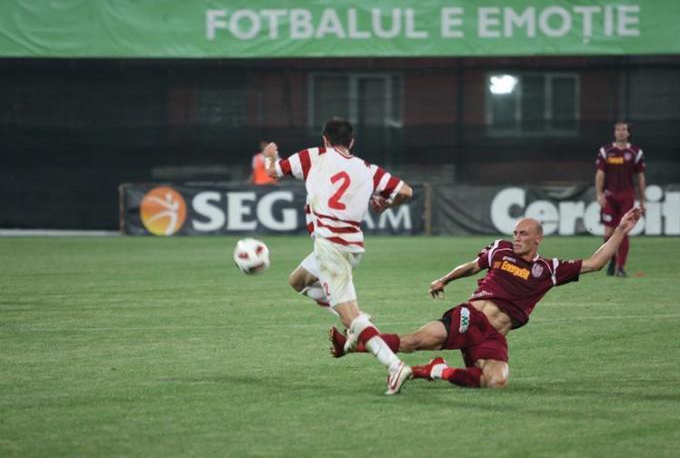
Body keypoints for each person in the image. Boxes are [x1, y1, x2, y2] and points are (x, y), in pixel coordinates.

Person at [329, 208, 643, 390]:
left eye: (523, 234)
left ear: (538, 238)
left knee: (496, 380)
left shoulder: (547, 270)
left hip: (493, 335)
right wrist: (445, 279)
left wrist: (620, 230)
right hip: (471, 316)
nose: (517, 238)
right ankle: (356, 344)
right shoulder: (501, 250)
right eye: (516, 233)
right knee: (416, 341)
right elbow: (471, 265)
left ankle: (434, 370)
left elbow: (595, 263)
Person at [263, 117, 414, 395]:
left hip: (330, 247)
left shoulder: (314, 156)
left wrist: (269, 156)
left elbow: (273, 172)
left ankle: (394, 366)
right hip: (351, 245)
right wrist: (385, 204)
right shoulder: (367, 169)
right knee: (297, 280)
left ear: (325, 140)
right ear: (352, 142)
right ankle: (352, 319)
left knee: (351, 318)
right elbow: (405, 191)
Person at [595, 121, 646, 277]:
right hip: (610, 196)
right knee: (608, 232)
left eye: (624, 129)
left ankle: (620, 267)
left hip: (627, 196)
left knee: (624, 231)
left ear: (629, 133)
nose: (621, 132)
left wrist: (642, 201)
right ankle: (611, 260)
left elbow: (640, 177)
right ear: (614, 132)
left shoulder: (636, 152)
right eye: (618, 129)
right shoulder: (605, 151)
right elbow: (600, 174)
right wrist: (599, 194)